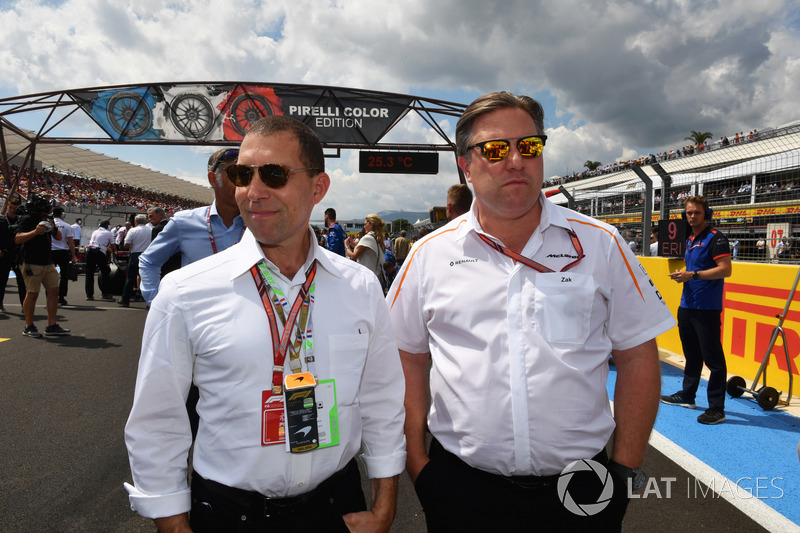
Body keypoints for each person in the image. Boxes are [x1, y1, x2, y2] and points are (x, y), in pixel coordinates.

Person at [387, 91, 675, 530]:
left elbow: (638, 355)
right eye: (496, 149)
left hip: (582, 489)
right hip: (461, 489)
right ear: (465, 164)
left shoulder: (601, 244)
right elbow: (406, 357)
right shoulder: (429, 255)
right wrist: (418, 464)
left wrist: (624, 471)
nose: (516, 160)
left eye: (530, 146)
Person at [125, 115, 406, 533]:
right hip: (226, 513)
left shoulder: (361, 287)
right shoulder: (185, 292)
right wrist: (172, 523)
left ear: (318, 187)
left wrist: (384, 508)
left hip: (338, 507)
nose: (253, 192)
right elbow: (158, 420)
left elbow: (382, 400)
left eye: (274, 174)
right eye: (242, 174)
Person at [138, 149, 245, 305]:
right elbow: (149, 261)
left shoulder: (260, 223)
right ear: (213, 179)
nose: (242, 181)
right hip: (195, 320)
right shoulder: (184, 222)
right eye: (235, 173)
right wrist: (156, 303)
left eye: (246, 173)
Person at [663, 196, 732, 425]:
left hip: (706, 308)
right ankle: (687, 396)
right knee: (692, 355)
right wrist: (684, 274)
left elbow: (724, 270)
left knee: (714, 361)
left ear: (707, 214)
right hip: (687, 305)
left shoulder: (716, 238)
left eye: (697, 213)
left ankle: (717, 409)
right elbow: (697, 268)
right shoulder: (691, 238)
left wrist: (692, 275)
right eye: (689, 213)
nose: (692, 217)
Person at [14, 194, 71, 337]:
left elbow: (58, 237)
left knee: (53, 291)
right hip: (31, 261)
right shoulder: (27, 219)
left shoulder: (48, 219)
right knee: (32, 293)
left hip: (47, 261)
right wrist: (35, 231)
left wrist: (52, 228)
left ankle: (51, 325)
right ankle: (29, 326)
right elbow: (17, 239)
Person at [117, 214, 151, 307]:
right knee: (147, 278)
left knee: (131, 277)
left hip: (135, 254)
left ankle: (125, 299)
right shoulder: (150, 230)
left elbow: (126, 244)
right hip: (147, 255)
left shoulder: (133, 230)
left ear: (136, 222)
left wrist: (132, 245)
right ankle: (149, 300)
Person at [0, 194, 26, 312]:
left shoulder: (22, 221)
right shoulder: (1, 220)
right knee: (2, 281)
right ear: (7, 207)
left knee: (21, 281)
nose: (12, 210)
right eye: (10, 208)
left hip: (17, 256)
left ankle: (24, 306)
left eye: (15, 208)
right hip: (3, 255)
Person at [345, 214, 386, 287]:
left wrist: (346, 246)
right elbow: (367, 251)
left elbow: (353, 256)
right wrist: (356, 246)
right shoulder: (376, 238)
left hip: (368, 277)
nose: (364, 227)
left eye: (365, 224)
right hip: (376, 276)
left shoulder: (367, 238)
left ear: (371, 225)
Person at [50, 206, 76, 306]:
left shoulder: (49, 225)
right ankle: (61, 297)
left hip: (51, 252)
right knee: (64, 276)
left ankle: (49, 296)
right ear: (63, 214)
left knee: (49, 276)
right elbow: (71, 242)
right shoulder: (67, 226)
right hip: (63, 252)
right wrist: (73, 256)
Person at [84, 220, 116, 301]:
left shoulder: (95, 231)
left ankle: (89, 295)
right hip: (99, 252)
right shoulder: (109, 233)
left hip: (90, 251)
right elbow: (113, 246)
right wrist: (114, 252)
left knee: (89, 274)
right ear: (108, 226)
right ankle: (105, 293)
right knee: (105, 272)